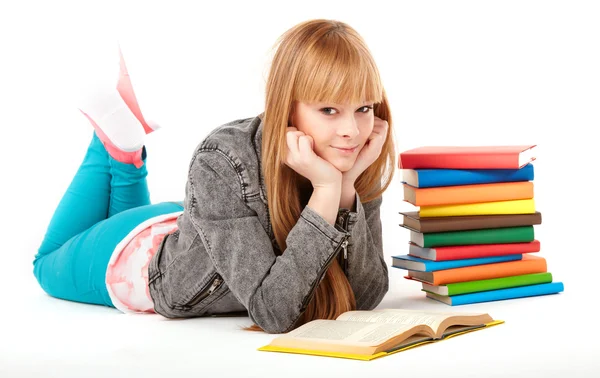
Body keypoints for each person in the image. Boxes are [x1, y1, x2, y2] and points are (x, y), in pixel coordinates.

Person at [33, 18, 396, 334]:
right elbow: (274, 312)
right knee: (46, 263)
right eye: (329, 109)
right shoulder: (222, 159)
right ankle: (116, 148)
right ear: (287, 107)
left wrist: (346, 190)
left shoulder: (353, 157)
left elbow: (364, 297)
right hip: (136, 261)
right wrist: (327, 187)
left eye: (363, 108)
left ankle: (125, 149)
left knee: (111, 217)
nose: (352, 130)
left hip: (187, 223)